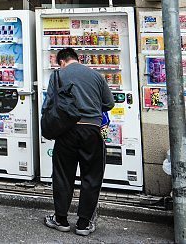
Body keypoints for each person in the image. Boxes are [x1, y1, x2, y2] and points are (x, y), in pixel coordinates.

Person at [43, 48, 115, 237]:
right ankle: (83, 224)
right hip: (91, 131)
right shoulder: (96, 75)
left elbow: (49, 103)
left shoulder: (58, 75)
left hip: (66, 131)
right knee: (91, 176)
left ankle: (61, 219)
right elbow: (109, 103)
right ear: (77, 59)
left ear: (61, 62)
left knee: (62, 175)